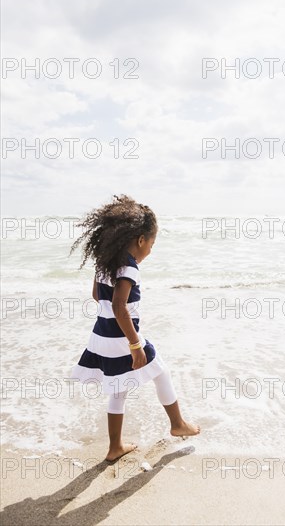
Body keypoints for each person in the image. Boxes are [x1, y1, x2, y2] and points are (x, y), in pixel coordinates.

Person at [69, 194, 200, 462]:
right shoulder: (130, 269)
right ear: (141, 240)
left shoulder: (104, 263)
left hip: (101, 335)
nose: (151, 250)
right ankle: (178, 424)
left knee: (119, 388)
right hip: (121, 337)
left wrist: (115, 318)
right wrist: (135, 344)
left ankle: (115, 446)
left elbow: (97, 295)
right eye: (152, 244)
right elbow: (120, 307)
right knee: (161, 371)